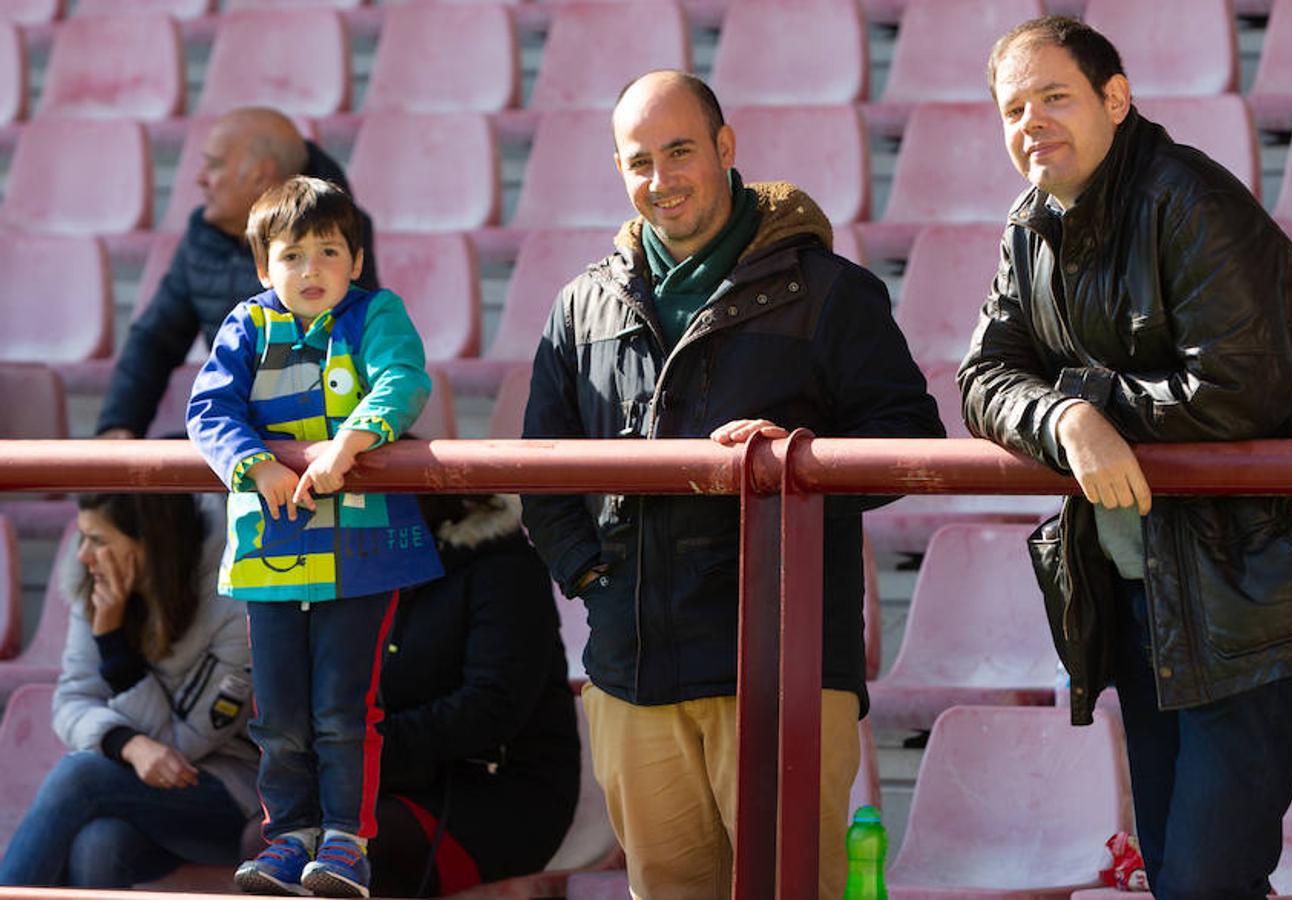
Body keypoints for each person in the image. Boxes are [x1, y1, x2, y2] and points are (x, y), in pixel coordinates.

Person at [958, 16, 1292, 897]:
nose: (1030, 121)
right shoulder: (1032, 223)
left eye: (1054, 97)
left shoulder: (1190, 202)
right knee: (1188, 881)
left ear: (1116, 99)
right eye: (1013, 108)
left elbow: (1240, 394)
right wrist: (1066, 419)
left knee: (1200, 883)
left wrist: (1088, 403)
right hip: (1150, 601)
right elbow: (985, 376)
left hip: (1262, 600)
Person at [521, 70, 944, 900]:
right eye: (639, 161)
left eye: (680, 152)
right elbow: (541, 474)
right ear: (618, 170)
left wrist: (804, 460)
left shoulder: (831, 293)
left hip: (782, 671)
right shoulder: (579, 308)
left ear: (725, 148)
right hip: (632, 675)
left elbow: (912, 442)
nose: (660, 179)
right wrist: (594, 582)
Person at [186, 175, 442, 897]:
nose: (311, 270)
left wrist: (348, 444)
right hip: (271, 553)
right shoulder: (246, 324)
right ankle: (287, 835)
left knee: (342, 704)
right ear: (264, 268)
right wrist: (253, 460)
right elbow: (208, 409)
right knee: (279, 709)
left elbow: (403, 379)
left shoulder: (376, 313)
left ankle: (344, 843)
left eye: (329, 251)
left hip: (360, 551)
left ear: (355, 261)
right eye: (292, 255)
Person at [0, 494, 256, 889]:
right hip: (137, 786)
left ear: (151, 543)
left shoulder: (233, 602)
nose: (84, 555)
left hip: (229, 795)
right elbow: (71, 699)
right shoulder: (96, 583)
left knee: (81, 774)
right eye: (83, 538)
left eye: (99, 540)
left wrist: (115, 650)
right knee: (99, 844)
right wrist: (128, 743)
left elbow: (181, 743)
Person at [98, 106, 379, 440]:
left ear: (262, 174)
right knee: (125, 485)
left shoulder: (343, 232)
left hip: (331, 433)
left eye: (214, 165)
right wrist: (119, 426)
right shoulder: (203, 238)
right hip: (235, 433)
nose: (201, 178)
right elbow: (156, 340)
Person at [367, 492, 580, 897]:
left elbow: (491, 707)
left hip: (500, 793)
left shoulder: (504, 569)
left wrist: (371, 748)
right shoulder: (367, 570)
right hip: (394, 778)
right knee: (273, 839)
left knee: (364, 847)